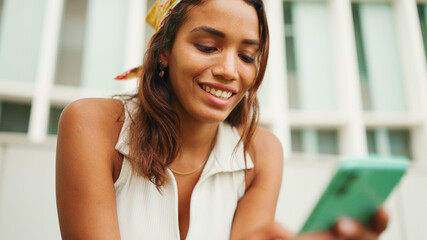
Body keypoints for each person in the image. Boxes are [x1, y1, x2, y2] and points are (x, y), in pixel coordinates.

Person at [55, 0, 389, 239]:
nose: (230, 71)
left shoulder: (260, 153)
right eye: (207, 46)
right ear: (163, 51)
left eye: (247, 56)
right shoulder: (93, 126)